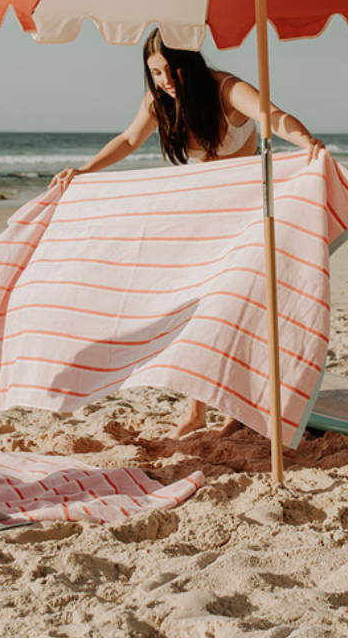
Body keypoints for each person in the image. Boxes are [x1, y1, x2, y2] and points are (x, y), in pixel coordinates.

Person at [51, 28, 325, 438]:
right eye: (155, 72)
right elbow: (129, 139)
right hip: (205, 213)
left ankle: (240, 408)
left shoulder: (225, 89)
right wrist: (85, 170)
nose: (163, 80)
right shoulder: (159, 100)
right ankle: (195, 412)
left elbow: (271, 115)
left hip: (250, 210)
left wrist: (305, 140)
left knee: (244, 308)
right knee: (197, 306)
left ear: (188, 64)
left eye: (168, 70)